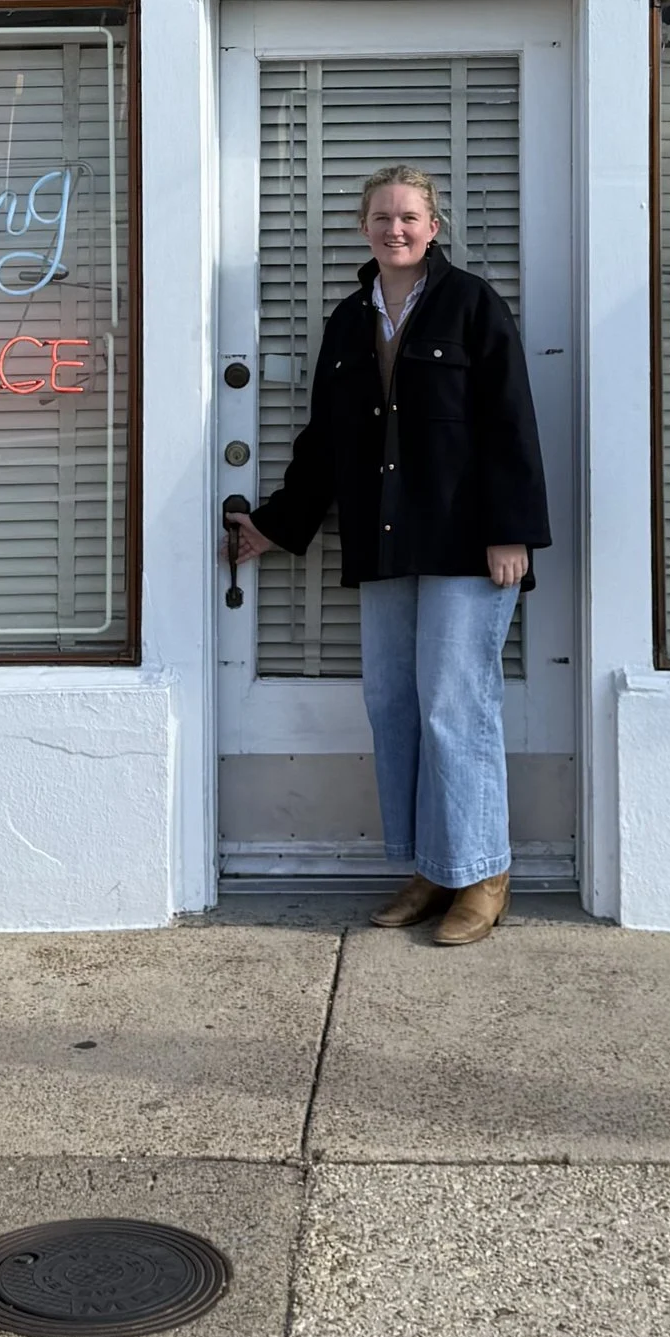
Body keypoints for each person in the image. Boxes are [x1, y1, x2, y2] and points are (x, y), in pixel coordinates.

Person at [228, 163, 550, 945]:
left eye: (408, 216)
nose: (394, 229)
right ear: (363, 227)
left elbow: (511, 418)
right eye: (381, 217)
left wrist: (512, 529)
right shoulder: (347, 321)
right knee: (395, 707)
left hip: (467, 546)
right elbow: (325, 445)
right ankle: (432, 867)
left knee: (455, 708)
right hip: (384, 541)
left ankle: (482, 871)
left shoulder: (472, 304)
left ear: (434, 225)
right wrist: (275, 523)